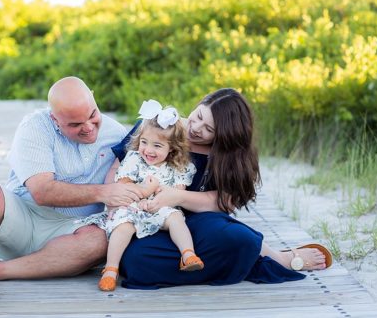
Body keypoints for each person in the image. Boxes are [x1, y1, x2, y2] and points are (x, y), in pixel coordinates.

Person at [0, 76, 138, 303]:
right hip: (23, 219)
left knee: (105, 238)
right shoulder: (34, 126)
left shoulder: (117, 133)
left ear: (93, 97)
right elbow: (42, 192)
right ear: (55, 119)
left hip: (73, 232)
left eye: (92, 115)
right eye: (75, 125)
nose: (88, 128)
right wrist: (103, 192)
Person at [116, 88, 333, 289]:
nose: (196, 129)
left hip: (200, 223)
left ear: (224, 136)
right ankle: (245, 263)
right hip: (146, 219)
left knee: (236, 239)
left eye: (209, 129)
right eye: (199, 116)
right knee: (137, 262)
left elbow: (224, 202)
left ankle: (279, 258)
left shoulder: (228, 155)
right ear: (199, 104)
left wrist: (177, 197)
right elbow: (116, 175)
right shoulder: (159, 126)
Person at [77, 100, 201, 292]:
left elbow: (179, 192)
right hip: (133, 206)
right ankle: (111, 269)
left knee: (176, 218)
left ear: (172, 149)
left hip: (162, 206)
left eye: (157, 146)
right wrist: (142, 193)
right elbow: (123, 184)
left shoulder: (179, 167)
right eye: (144, 142)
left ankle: (188, 255)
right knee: (123, 226)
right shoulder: (135, 159)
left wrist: (159, 201)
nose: (148, 150)